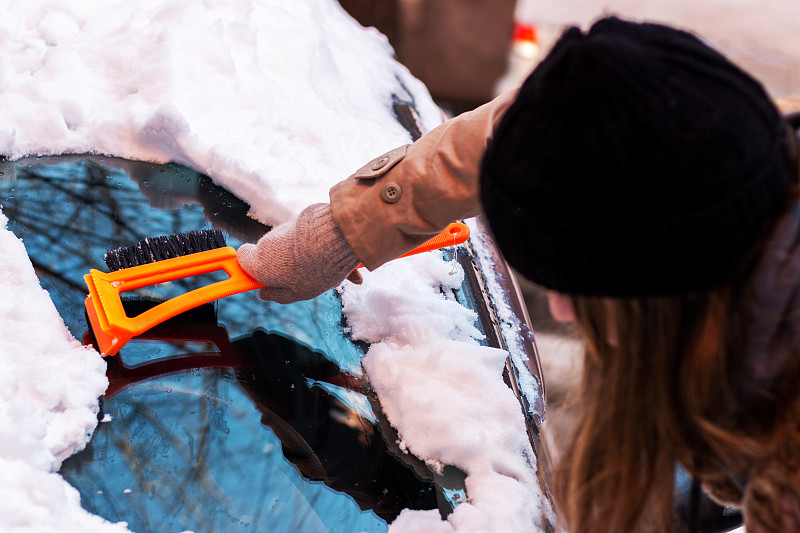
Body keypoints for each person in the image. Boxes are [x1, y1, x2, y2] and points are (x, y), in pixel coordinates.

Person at [238, 16, 800, 533]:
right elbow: (576, 128)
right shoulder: (723, 164)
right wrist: (351, 224)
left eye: (578, 287)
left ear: (664, 286)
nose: (556, 309)